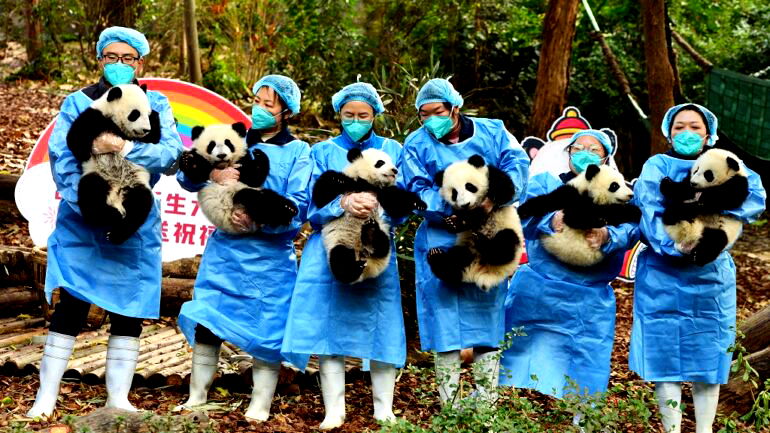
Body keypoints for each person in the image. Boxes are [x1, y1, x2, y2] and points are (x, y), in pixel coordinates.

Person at [27, 26, 184, 417]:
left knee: (128, 312)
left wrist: (127, 149)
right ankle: (45, 397)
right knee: (71, 308)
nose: (119, 64)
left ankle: (118, 399)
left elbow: (170, 154)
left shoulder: (156, 102)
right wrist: (91, 206)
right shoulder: (77, 103)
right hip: (83, 223)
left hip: (134, 225)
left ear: (141, 62)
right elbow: (63, 159)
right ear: (99, 60)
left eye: (127, 58)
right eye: (111, 57)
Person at [175, 74, 311, 422]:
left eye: (269, 104)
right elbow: (188, 173)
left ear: (286, 111)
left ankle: (260, 403)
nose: (260, 109)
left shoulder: (297, 151)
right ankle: (197, 397)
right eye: (258, 101)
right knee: (208, 320)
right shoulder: (232, 137)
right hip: (225, 254)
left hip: (269, 257)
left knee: (267, 332)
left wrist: (259, 220)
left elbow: (298, 205)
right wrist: (211, 177)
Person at [630, 103, 766, 433]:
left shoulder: (725, 161)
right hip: (662, 277)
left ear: (709, 133)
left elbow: (754, 197)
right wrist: (676, 247)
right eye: (679, 127)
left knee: (709, 359)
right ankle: (672, 429)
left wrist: (710, 206)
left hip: (711, 277)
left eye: (694, 127)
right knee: (665, 361)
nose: (687, 133)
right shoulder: (657, 165)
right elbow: (648, 211)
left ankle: (704, 430)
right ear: (668, 131)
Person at [281, 82, 405, 430]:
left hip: (375, 246)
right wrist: (343, 204)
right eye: (348, 115)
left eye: (362, 115)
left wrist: (380, 208)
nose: (355, 121)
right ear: (339, 115)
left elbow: (403, 203)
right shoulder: (321, 152)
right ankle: (333, 410)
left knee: (382, 327)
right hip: (329, 251)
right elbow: (310, 206)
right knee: (327, 330)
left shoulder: (392, 149)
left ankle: (384, 408)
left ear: (375, 115)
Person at [401, 78, 529, 405]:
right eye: (423, 114)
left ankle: (484, 403)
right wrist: (450, 208)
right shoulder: (416, 143)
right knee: (444, 324)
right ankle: (451, 406)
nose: (431, 120)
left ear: (454, 107)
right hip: (441, 233)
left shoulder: (494, 132)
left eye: (437, 112)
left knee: (488, 320)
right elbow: (416, 186)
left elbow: (517, 165)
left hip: (488, 229)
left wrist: (492, 199)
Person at [500, 130, 639, 425]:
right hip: (539, 287)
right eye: (579, 147)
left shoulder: (616, 189)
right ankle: (496, 405)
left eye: (594, 149)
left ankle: (585, 417)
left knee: (588, 356)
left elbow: (632, 226)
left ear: (605, 158)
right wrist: (550, 220)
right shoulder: (546, 184)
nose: (586, 152)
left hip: (589, 295)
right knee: (514, 345)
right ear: (568, 152)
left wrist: (607, 236)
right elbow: (522, 216)